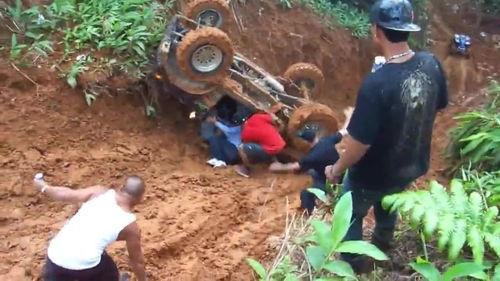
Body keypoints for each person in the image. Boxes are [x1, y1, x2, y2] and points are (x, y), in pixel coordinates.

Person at [324, 0, 448, 273]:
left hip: (371, 174)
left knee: (351, 215)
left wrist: (336, 169)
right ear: (409, 28)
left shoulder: (376, 83)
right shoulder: (431, 64)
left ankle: (355, 265)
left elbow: (359, 144)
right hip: (410, 165)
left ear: (377, 31)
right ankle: (381, 247)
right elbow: (436, 106)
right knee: (389, 204)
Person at [35, 175, 148, 281]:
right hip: (85, 266)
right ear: (140, 199)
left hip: (55, 256)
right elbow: (137, 262)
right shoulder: (131, 227)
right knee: (110, 273)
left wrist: (43, 186)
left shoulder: (98, 192)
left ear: (122, 187)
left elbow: (64, 194)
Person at [269, 107, 353, 214]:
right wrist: (349, 115)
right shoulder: (327, 140)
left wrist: (276, 166)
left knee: (306, 193)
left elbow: (293, 166)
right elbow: (344, 131)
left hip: (332, 180)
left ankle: (307, 212)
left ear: (306, 142)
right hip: (341, 170)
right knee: (311, 171)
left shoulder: (312, 157)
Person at [235, 104, 286, 178]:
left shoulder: (245, 132)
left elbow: (246, 146)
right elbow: (276, 120)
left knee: (241, 147)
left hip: (271, 149)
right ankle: (274, 161)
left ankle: (246, 169)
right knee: (261, 147)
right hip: (281, 145)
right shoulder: (259, 118)